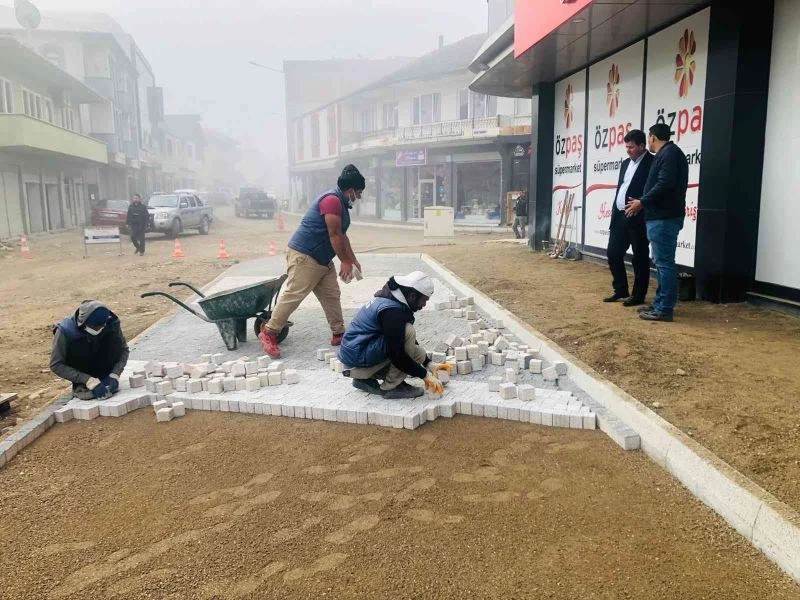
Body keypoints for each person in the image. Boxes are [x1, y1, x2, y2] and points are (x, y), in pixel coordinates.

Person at [258, 164, 365, 358]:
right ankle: (269, 332)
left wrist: (352, 260)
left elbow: (342, 236)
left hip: (323, 259)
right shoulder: (332, 201)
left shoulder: (341, 204)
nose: (358, 197)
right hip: (305, 256)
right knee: (294, 295)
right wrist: (345, 261)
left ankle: (339, 334)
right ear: (350, 190)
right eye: (358, 193)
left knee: (332, 294)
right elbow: (333, 234)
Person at [338, 271, 452, 399]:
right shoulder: (392, 312)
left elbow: (402, 340)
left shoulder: (392, 297)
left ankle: (364, 380)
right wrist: (425, 375)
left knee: (408, 340)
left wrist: (429, 364)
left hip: (357, 354)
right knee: (408, 332)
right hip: (357, 359)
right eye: (424, 301)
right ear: (413, 296)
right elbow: (397, 355)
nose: (424, 305)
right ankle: (392, 387)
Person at [625, 123, 689, 322]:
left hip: (664, 217)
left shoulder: (669, 153)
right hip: (661, 217)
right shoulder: (668, 153)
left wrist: (642, 202)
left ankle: (664, 308)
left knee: (664, 263)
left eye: (649, 139)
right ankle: (660, 302)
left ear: (652, 137)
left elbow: (665, 183)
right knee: (661, 263)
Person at [604, 129, 654, 307]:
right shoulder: (625, 163)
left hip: (638, 217)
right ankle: (621, 290)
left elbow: (654, 190)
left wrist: (642, 203)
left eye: (631, 147)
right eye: (626, 147)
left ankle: (638, 295)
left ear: (642, 146)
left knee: (639, 257)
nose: (628, 150)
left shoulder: (652, 163)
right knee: (613, 253)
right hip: (619, 216)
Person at [50, 301, 130, 400]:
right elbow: (56, 365)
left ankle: (106, 379)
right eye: (95, 327)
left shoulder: (111, 322)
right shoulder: (65, 331)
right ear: (83, 323)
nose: (99, 329)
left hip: (105, 370)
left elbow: (124, 350)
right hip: (83, 371)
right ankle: (82, 385)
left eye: (101, 326)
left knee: (113, 339)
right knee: (88, 395)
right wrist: (87, 380)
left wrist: (115, 373)